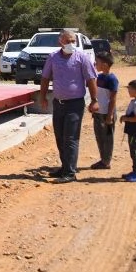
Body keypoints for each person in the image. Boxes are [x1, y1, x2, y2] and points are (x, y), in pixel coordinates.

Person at [38, 29, 99, 183]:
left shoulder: (82, 57)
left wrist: (94, 100)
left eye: (73, 41)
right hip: (58, 103)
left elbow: (91, 79)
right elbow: (45, 77)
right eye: (68, 41)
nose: (71, 44)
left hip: (75, 104)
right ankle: (65, 167)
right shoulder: (53, 57)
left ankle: (70, 173)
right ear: (61, 41)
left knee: (70, 138)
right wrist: (43, 97)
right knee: (59, 136)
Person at [90, 51, 118, 170]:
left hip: (107, 113)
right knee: (99, 137)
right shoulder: (99, 77)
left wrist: (110, 115)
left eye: (97, 62)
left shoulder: (112, 79)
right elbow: (97, 94)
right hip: (98, 113)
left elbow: (113, 99)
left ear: (105, 64)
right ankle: (103, 159)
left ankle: (106, 161)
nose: (95, 64)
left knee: (107, 139)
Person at [119, 79, 136, 182]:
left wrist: (126, 118)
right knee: (133, 152)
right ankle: (135, 171)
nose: (128, 90)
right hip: (134, 131)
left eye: (130, 89)